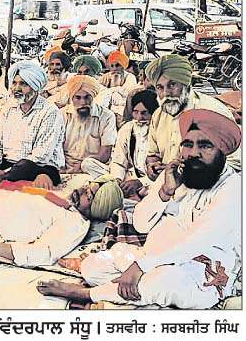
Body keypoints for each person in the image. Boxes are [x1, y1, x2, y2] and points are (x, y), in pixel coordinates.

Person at [38, 109, 241, 309]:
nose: (193, 153)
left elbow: (197, 241)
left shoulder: (233, 188)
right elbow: (141, 224)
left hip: (203, 269)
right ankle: (129, 288)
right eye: (188, 144)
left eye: (205, 146)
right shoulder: (179, 174)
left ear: (222, 151)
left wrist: (140, 267)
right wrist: (165, 191)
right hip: (154, 257)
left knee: (162, 282)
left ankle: (86, 294)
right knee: (93, 267)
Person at [0, 60, 65, 189]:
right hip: (8, 164)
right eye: (14, 83)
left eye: (23, 84)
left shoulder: (50, 111)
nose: (16, 88)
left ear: (35, 86)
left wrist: (4, 172)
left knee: (25, 167)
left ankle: (1, 178)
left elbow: (42, 154)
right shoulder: (8, 109)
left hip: (38, 166)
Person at [144, 54, 239, 180]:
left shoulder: (212, 111)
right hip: (166, 184)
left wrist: (186, 171)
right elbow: (153, 154)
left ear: (186, 84)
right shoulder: (158, 115)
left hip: (206, 187)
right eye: (160, 87)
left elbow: (235, 163)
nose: (166, 93)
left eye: (172, 85)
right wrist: (152, 165)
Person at [83, 90, 159, 198]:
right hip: (130, 176)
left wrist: (140, 182)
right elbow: (119, 162)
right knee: (87, 163)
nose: (139, 118)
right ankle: (115, 188)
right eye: (135, 112)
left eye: (144, 113)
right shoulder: (127, 128)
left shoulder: (161, 131)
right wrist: (117, 180)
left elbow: (164, 170)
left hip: (151, 182)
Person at [62, 75, 117, 174]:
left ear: (93, 97)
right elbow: (57, 147)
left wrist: (80, 166)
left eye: (87, 97)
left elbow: (105, 154)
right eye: (78, 98)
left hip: (92, 166)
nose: (83, 102)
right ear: (71, 98)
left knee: (87, 165)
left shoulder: (107, 116)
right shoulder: (62, 114)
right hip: (65, 165)